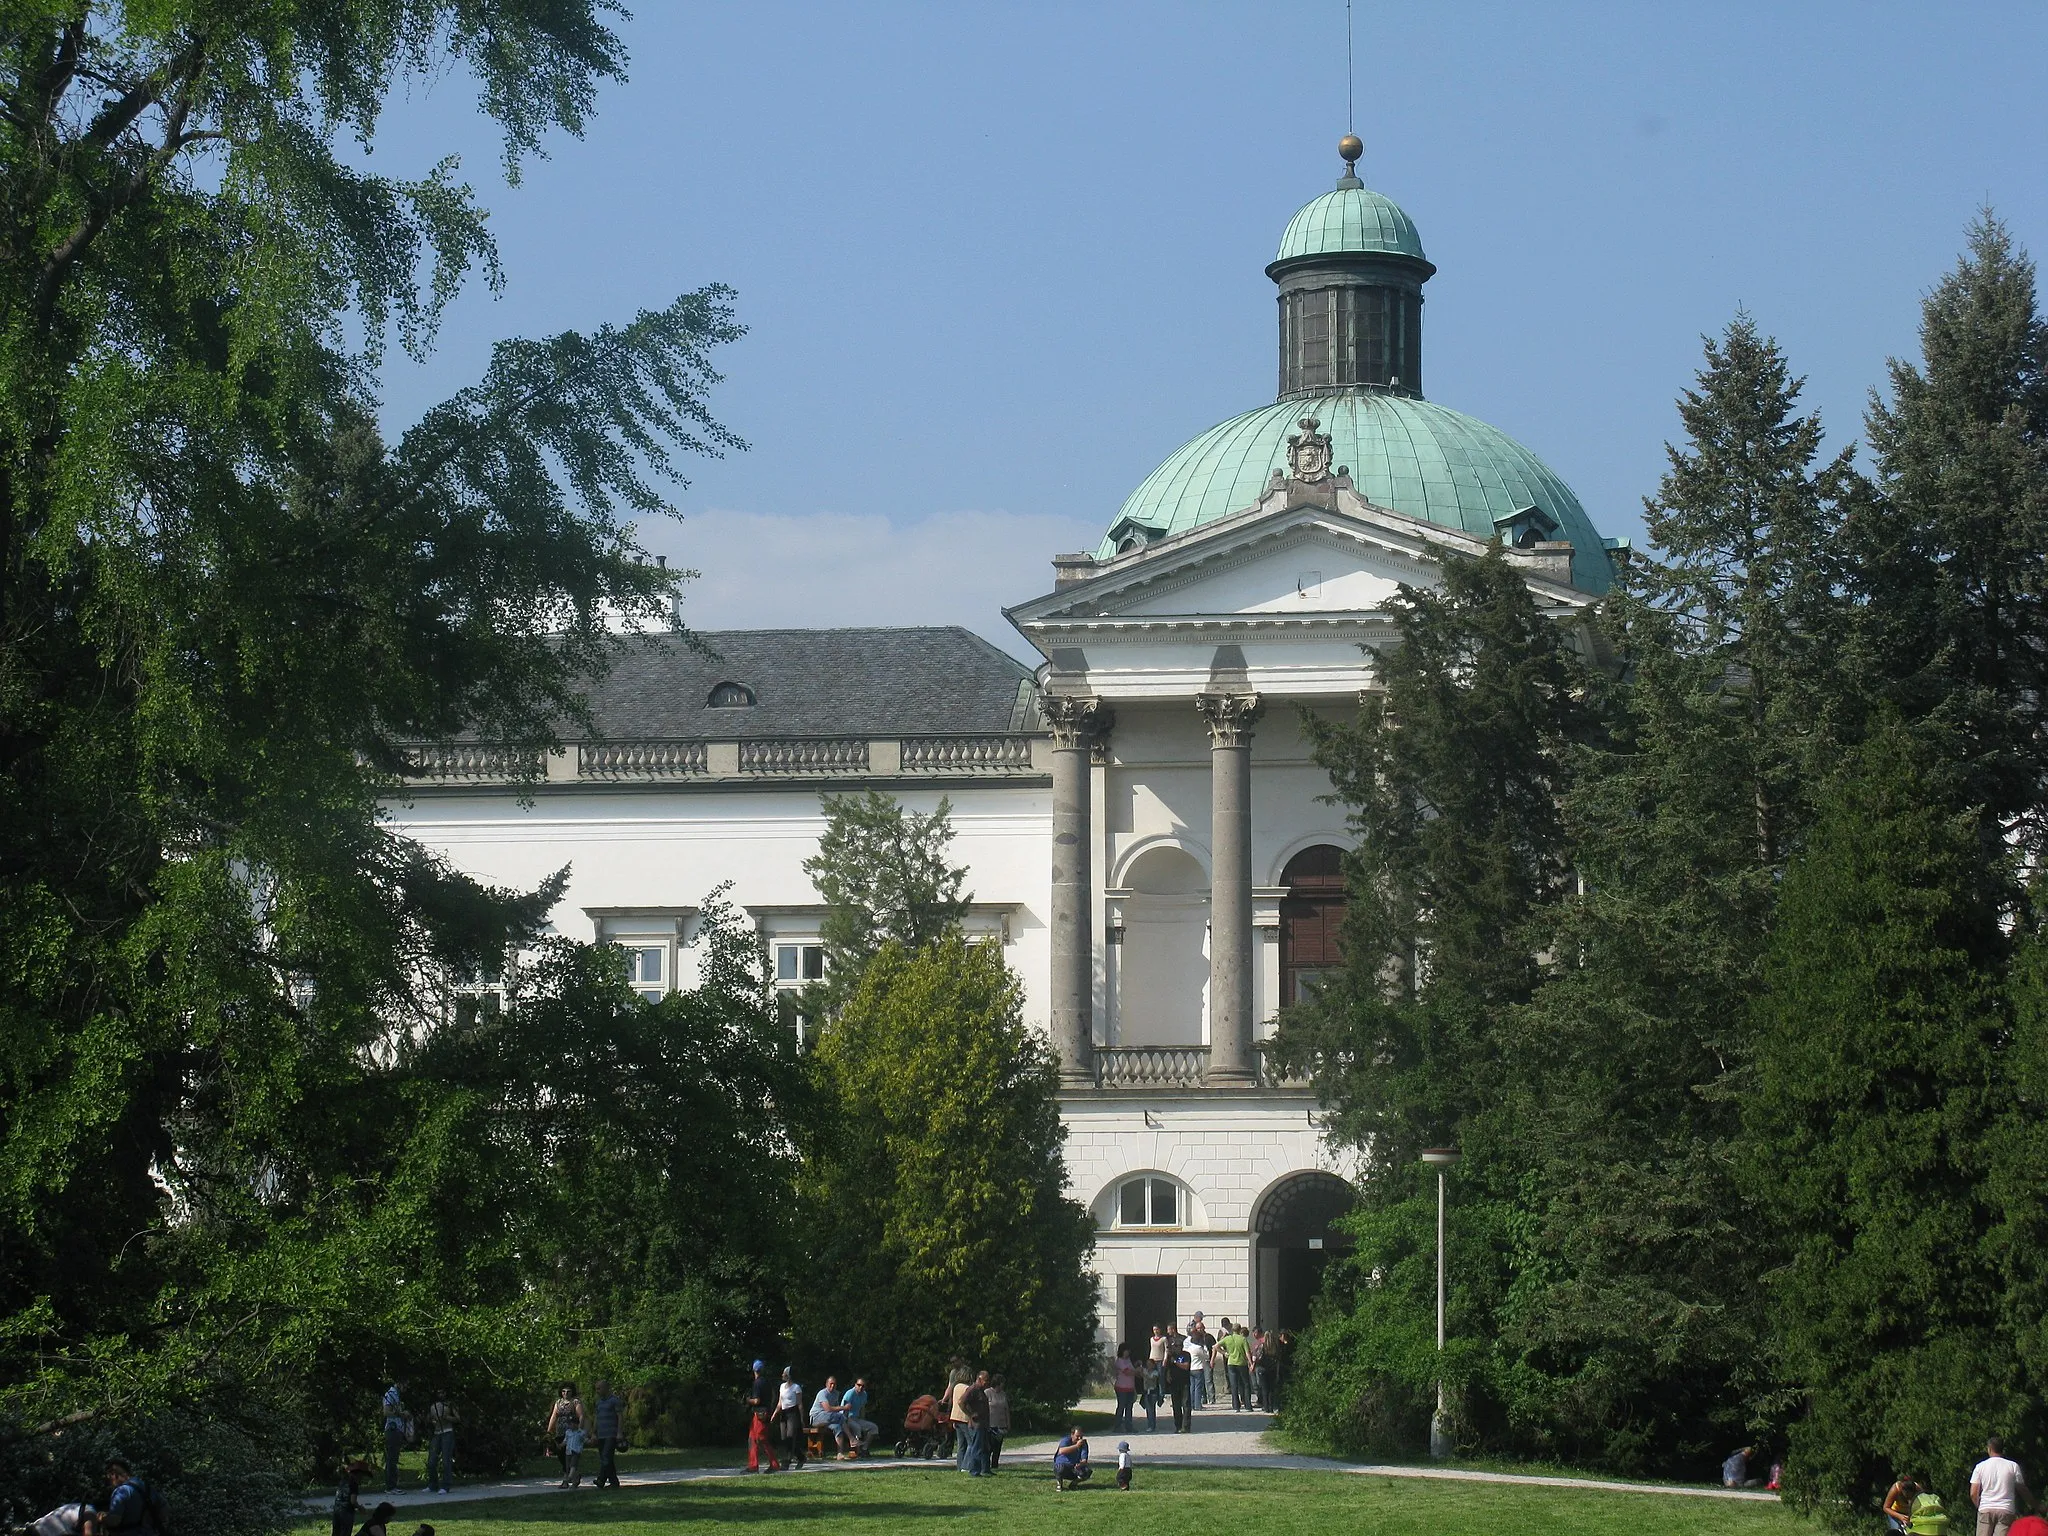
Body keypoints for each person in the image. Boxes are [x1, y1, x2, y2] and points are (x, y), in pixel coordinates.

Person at [1972, 1436, 2037, 1536]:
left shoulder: (1980, 1466)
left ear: (1989, 1449)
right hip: (2006, 1509)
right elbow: (2022, 1489)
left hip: (1986, 1508)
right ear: (2002, 1449)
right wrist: (2035, 1504)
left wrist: (1979, 1505)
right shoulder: (2013, 1466)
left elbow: (1973, 1493)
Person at [101, 1459, 168, 1535]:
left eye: (109, 1479)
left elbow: (114, 1521)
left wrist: (102, 1517)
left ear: (114, 1475)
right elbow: (164, 1511)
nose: (110, 1483)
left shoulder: (121, 1491)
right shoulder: (147, 1488)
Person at [544, 1383, 585, 1487]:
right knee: (561, 1455)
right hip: (560, 1432)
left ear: (572, 1392)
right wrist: (549, 1432)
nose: (565, 1393)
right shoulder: (558, 1403)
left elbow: (581, 1416)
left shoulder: (575, 1402)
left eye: (568, 1391)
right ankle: (573, 1476)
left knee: (570, 1456)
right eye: (563, 1391)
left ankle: (566, 1479)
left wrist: (579, 1430)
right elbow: (554, 1417)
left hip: (572, 1432)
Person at [745, 1359, 781, 1473]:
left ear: (754, 1370)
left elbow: (756, 1401)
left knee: (761, 1439)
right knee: (752, 1439)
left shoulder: (757, 1383)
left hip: (760, 1414)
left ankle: (773, 1464)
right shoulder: (767, 1382)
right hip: (765, 1412)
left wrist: (747, 1400)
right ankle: (753, 1465)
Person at [591, 1380, 625, 1488]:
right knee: (606, 1459)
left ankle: (601, 1479)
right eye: (596, 1389)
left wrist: (619, 1433)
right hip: (601, 1434)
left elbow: (620, 1417)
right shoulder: (599, 1402)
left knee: (606, 1457)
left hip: (611, 1434)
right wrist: (594, 1433)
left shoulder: (614, 1401)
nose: (597, 1391)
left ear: (606, 1388)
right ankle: (614, 1482)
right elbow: (596, 1418)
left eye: (599, 1388)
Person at [424, 1394, 456, 1494]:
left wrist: (447, 1417)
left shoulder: (450, 1405)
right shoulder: (432, 1406)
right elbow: (429, 1420)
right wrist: (432, 1420)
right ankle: (433, 1485)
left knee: (446, 1460)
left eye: (442, 1392)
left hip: (447, 1432)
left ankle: (446, 1486)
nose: (440, 1393)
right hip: (437, 1433)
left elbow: (457, 1418)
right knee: (431, 1460)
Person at [331, 1457, 371, 1536]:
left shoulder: (343, 1481)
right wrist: (360, 1508)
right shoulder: (354, 1484)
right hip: (346, 1512)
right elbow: (352, 1501)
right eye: (362, 1476)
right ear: (359, 1474)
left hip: (337, 1510)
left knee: (336, 1533)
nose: (362, 1478)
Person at [840, 1377, 879, 1458]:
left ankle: (864, 1448)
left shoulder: (864, 1394)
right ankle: (858, 1450)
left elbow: (862, 1409)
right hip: (847, 1418)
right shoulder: (850, 1393)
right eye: (859, 1385)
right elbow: (845, 1409)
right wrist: (845, 1421)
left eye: (863, 1386)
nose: (860, 1387)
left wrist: (863, 1421)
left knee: (874, 1427)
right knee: (857, 1428)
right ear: (855, 1385)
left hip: (857, 1418)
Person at [776, 1367, 807, 1469]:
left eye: (784, 1373)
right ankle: (801, 1457)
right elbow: (780, 1403)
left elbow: (800, 1404)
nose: (782, 1375)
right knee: (784, 1438)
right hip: (784, 1413)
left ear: (788, 1375)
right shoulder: (781, 1387)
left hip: (793, 1413)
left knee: (790, 1437)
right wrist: (774, 1414)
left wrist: (802, 1419)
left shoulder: (796, 1388)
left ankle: (787, 1462)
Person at [381, 1382, 409, 1492]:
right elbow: (386, 1412)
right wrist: (402, 1414)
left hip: (397, 1429)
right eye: (405, 1385)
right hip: (392, 1429)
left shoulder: (396, 1395)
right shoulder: (391, 1394)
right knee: (391, 1459)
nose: (406, 1388)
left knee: (394, 1458)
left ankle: (393, 1485)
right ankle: (390, 1487)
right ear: (399, 1383)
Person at [809, 1375, 846, 1458]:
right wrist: (844, 1407)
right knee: (840, 1417)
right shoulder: (822, 1393)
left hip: (829, 1418)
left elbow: (836, 1408)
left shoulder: (836, 1394)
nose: (832, 1386)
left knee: (838, 1427)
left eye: (834, 1384)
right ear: (826, 1384)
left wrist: (841, 1411)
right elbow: (828, 1409)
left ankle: (840, 1453)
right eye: (831, 1384)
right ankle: (851, 1438)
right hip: (817, 1417)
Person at [1219, 1323, 1253, 1410]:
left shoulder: (1228, 1338)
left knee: (1234, 1385)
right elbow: (1247, 1353)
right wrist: (1251, 1363)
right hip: (1242, 1363)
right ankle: (1248, 1405)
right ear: (1240, 1329)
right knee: (1245, 1384)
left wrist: (1224, 1353)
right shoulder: (1242, 1339)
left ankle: (1236, 1406)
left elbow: (1215, 1346)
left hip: (1231, 1363)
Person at [984, 1373, 1012, 1471]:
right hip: (991, 1424)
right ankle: (986, 1465)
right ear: (997, 1383)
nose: (1003, 1385)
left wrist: (1008, 1423)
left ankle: (995, 1465)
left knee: (998, 1447)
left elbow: (1006, 1409)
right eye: (1001, 1383)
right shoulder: (987, 1392)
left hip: (1001, 1424)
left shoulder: (1003, 1394)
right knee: (989, 1447)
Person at [1165, 1336, 1191, 1434]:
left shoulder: (1186, 1355)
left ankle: (1186, 1426)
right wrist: (1167, 1375)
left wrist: (1175, 1363)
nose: (1176, 1347)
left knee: (1186, 1405)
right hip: (1174, 1383)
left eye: (1177, 1345)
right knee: (1176, 1406)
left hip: (1184, 1382)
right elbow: (1167, 1367)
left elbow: (1186, 1366)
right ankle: (1177, 1426)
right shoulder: (1171, 1356)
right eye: (1174, 1346)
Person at [1053, 1426, 1091, 1491]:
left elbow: (1084, 1459)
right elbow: (1062, 1451)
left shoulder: (1083, 1444)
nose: (1079, 1438)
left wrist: (1081, 1464)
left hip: (1074, 1467)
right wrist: (1076, 1446)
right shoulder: (1066, 1440)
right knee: (1059, 1468)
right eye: (1077, 1436)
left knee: (1087, 1471)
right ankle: (1059, 1485)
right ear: (1072, 1435)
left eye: (1081, 1437)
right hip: (1063, 1466)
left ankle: (1073, 1484)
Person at [1112, 1344, 1137, 1432]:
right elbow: (1127, 1372)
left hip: (1130, 1387)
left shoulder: (1128, 1360)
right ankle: (1117, 1426)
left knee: (1129, 1408)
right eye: (1126, 1350)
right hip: (1121, 1387)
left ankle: (1129, 1426)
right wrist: (1136, 1371)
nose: (1128, 1352)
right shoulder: (1119, 1361)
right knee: (1121, 1406)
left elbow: (1132, 1370)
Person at [1186, 1329, 1209, 1423]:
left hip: (1190, 1369)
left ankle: (1191, 1404)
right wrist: (1205, 1348)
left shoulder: (1189, 1348)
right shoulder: (1199, 1349)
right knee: (1198, 1387)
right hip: (1198, 1368)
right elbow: (1206, 1356)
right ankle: (1197, 1405)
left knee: (1192, 1387)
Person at [1140, 1354, 1161, 1432]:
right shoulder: (1144, 1371)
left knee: (1151, 1410)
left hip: (1153, 1392)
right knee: (1148, 1410)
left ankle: (1152, 1425)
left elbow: (1152, 1380)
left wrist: (1145, 1375)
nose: (1148, 1366)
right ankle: (1150, 1425)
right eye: (1147, 1364)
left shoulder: (1155, 1372)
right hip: (1146, 1392)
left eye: (1150, 1364)